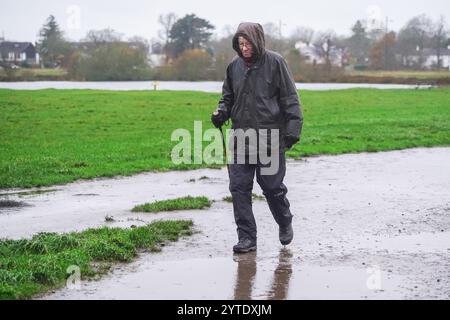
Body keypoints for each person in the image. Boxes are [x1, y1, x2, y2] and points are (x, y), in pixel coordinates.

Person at [211, 22, 303, 254]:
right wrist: (222, 112)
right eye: (240, 44)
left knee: (271, 187)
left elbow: (290, 98)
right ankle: (247, 239)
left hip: (270, 139)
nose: (244, 48)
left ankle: (284, 220)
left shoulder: (276, 63)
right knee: (239, 188)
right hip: (241, 138)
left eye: (247, 43)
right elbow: (228, 96)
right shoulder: (234, 66)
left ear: (257, 41)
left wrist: (292, 131)